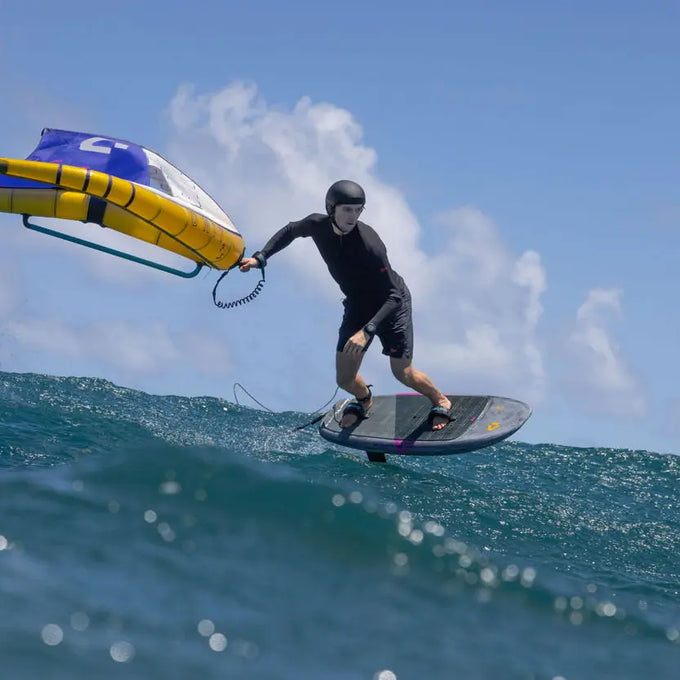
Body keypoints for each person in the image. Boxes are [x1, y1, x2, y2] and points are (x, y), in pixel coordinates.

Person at [239, 180, 453, 430]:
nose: (353, 216)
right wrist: (261, 257)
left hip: (391, 305)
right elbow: (291, 230)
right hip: (358, 306)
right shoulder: (317, 225)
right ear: (332, 209)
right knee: (345, 379)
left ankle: (440, 400)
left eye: (358, 210)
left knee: (402, 372)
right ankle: (364, 399)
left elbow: (394, 295)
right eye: (347, 210)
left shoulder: (370, 244)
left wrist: (367, 331)